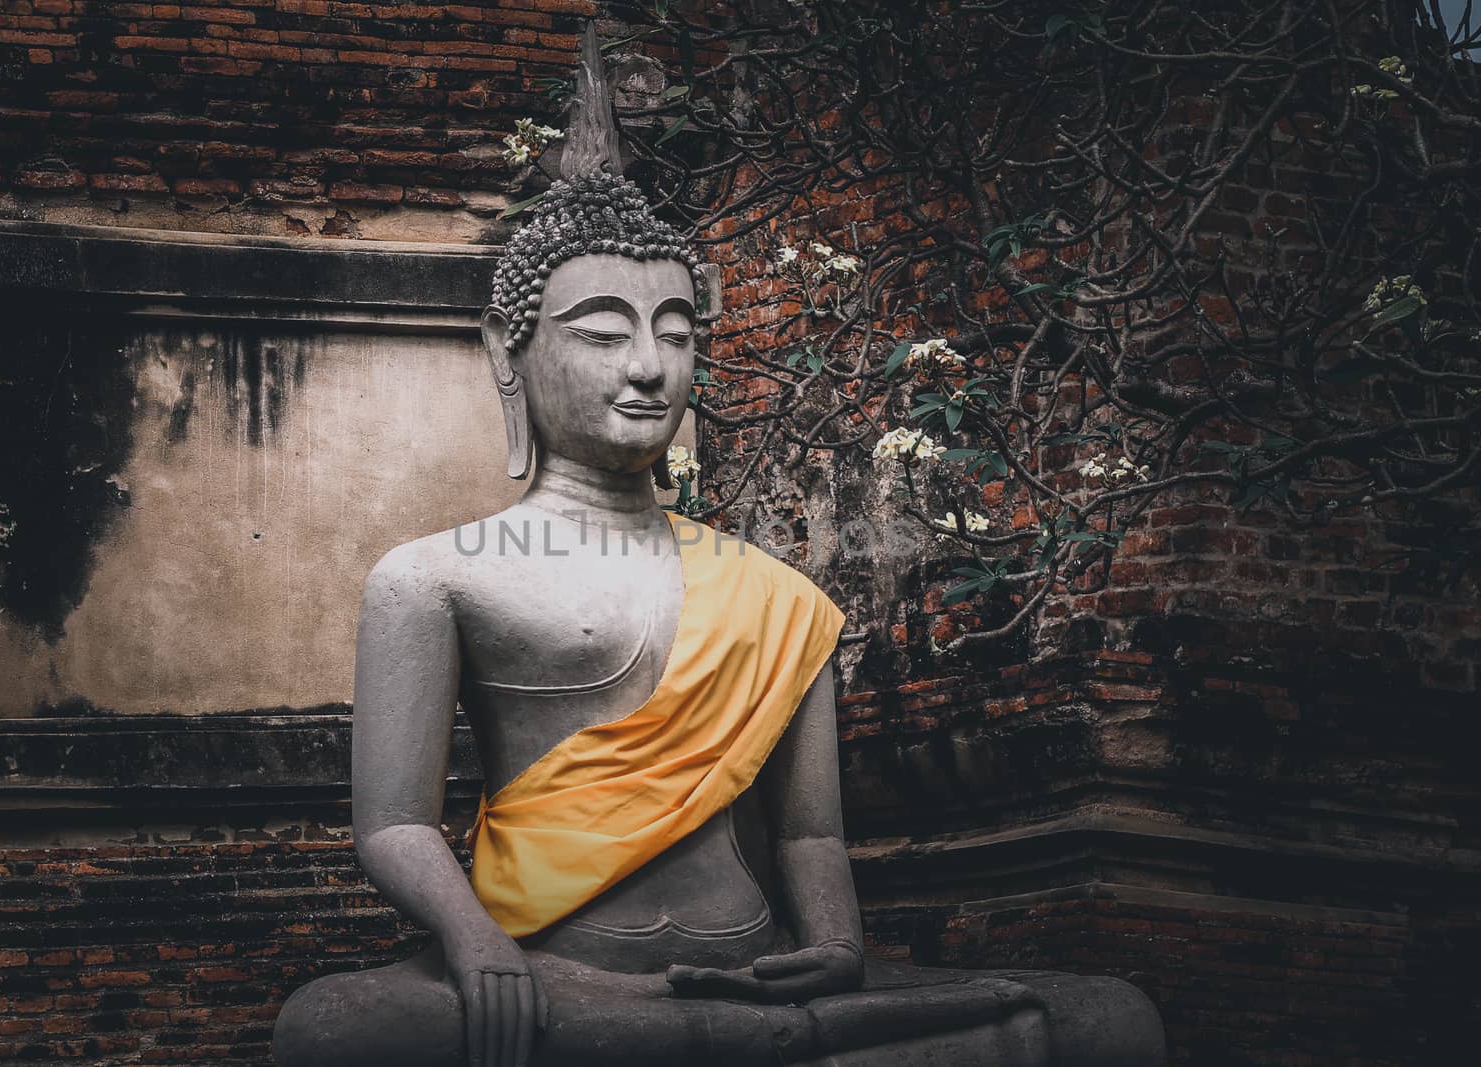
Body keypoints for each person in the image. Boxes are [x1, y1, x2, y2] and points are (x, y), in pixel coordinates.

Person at [272, 25, 1164, 1067]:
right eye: (604, 333)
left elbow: (807, 836)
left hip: (759, 970)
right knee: (333, 1031)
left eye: (679, 331)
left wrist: (833, 942)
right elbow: (391, 825)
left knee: (1112, 1020)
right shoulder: (433, 575)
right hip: (554, 971)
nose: (648, 365)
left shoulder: (775, 594)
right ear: (509, 356)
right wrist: (475, 944)